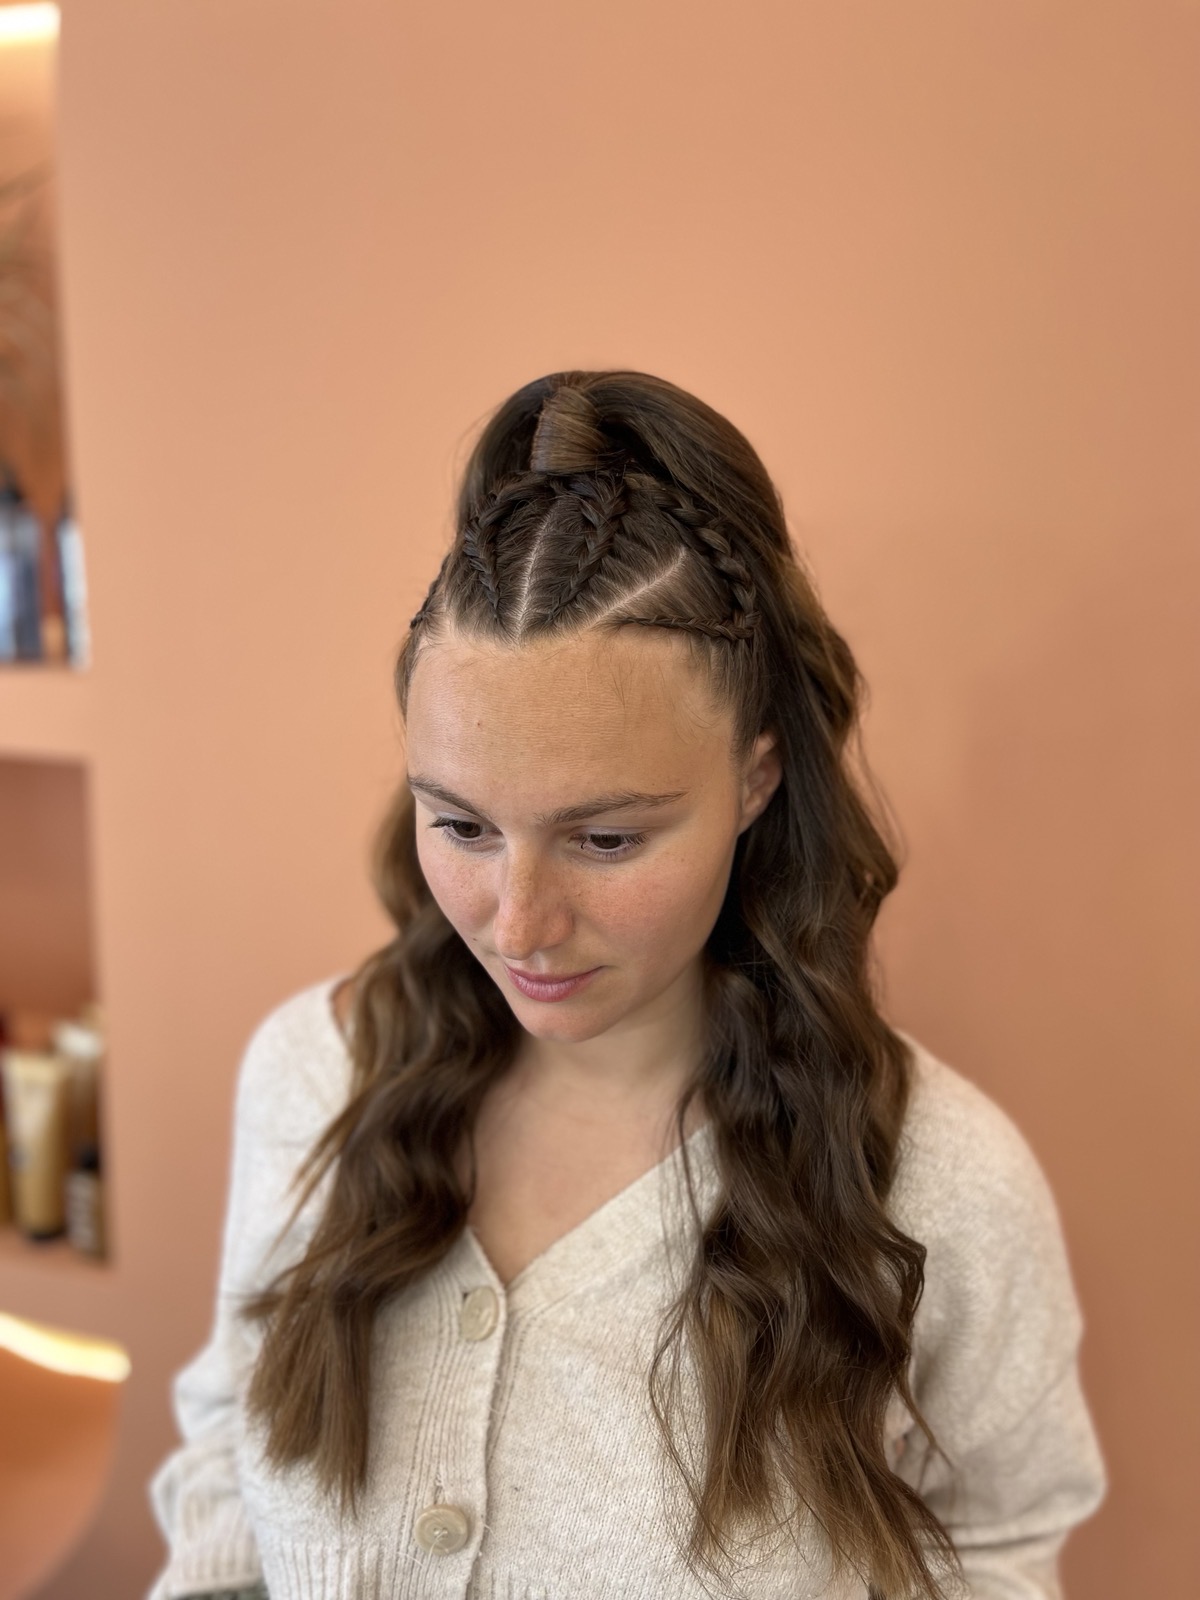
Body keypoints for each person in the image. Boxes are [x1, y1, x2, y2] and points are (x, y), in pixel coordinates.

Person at [147, 370, 1106, 1600]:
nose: (520, 925)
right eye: (462, 825)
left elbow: (1001, 1547)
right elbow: (228, 1451)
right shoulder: (308, 1075)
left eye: (606, 838)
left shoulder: (943, 1187)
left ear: (756, 780)